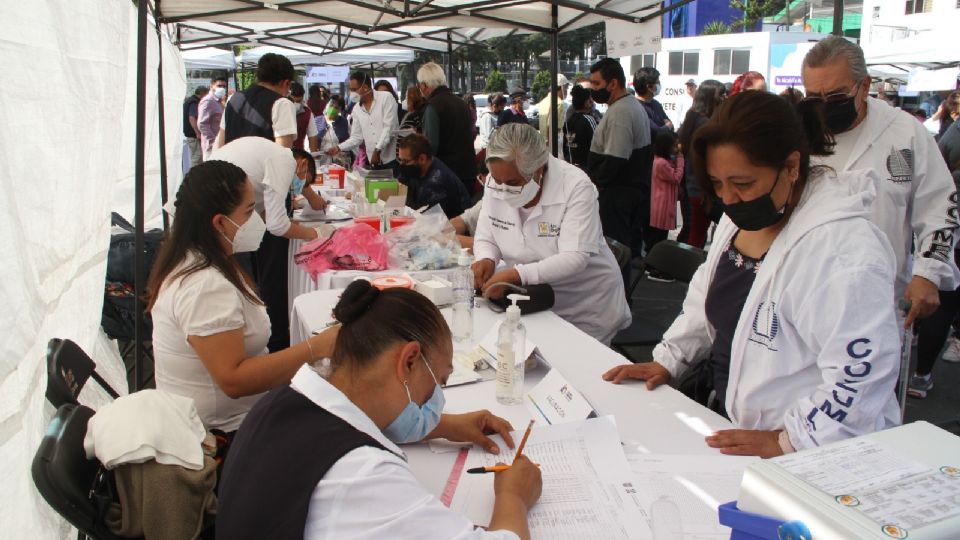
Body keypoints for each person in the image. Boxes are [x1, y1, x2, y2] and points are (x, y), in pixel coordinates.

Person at [603, 91, 901, 457]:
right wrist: (669, 360)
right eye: (717, 183)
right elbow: (702, 302)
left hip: (816, 451)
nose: (728, 199)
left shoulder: (844, 252)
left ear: (792, 167)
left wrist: (790, 439)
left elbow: (861, 373)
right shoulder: (738, 218)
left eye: (743, 184)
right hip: (731, 420)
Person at [216, 280, 542, 539]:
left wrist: (441, 426)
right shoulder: (361, 475)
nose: (436, 397)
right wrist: (513, 497)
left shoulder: (286, 399)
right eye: (437, 383)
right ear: (409, 361)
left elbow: (349, 427)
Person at [148, 160, 340, 435]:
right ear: (219, 222)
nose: (258, 219)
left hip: (232, 420)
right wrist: (317, 348)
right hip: (221, 435)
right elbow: (234, 380)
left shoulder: (201, 260)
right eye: (249, 211)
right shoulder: (203, 285)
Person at [802, 36, 959, 331]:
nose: (823, 106)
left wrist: (928, 273)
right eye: (813, 98)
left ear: (864, 85)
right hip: (801, 296)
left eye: (835, 97)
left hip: (879, 301)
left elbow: (940, 208)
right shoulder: (796, 132)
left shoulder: (904, 134)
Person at [472, 123, 631, 344]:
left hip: (585, 304)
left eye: (513, 183)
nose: (503, 190)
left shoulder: (575, 186)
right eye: (497, 182)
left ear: (538, 169)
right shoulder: (496, 181)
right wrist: (486, 258)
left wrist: (516, 275)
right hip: (534, 300)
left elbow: (574, 258)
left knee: (574, 369)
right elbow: (487, 234)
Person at [209, 137, 326, 352]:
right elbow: (277, 227)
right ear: (302, 165)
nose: (299, 188)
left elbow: (267, 217)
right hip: (218, 211)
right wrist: (315, 233)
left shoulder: (271, 156)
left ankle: (258, 340)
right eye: (303, 181)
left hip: (217, 204)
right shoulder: (284, 160)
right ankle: (264, 343)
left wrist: (291, 225)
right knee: (238, 285)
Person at [586, 58, 652, 261]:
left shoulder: (621, 112)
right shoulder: (626, 106)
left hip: (618, 195)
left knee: (615, 251)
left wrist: (596, 185)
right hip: (627, 192)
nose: (593, 89)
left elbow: (616, 158)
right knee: (623, 248)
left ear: (613, 83)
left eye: (597, 84)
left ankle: (618, 291)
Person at [676, 80, 725, 248]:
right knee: (697, 234)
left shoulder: (692, 117)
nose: (723, 98)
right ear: (711, 97)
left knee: (695, 231)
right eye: (721, 94)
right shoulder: (705, 124)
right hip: (702, 187)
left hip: (692, 185)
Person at [418, 62, 479, 194]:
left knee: (447, 215)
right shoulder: (461, 102)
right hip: (467, 171)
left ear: (424, 85)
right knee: (463, 213)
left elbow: (430, 146)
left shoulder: (433, 106)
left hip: (445, 175)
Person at [218, 53, 298, 149]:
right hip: (262, 163)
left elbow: (221, 143)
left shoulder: (233, 98)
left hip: (229, 162)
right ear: (285, 83)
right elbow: (283, 152)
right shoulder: (282, 104)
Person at [327, 72, 399, 172]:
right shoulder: (356, 109)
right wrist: (338, 147)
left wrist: (377, 150)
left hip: (390, 161)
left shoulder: (386, 98)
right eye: (350, 90)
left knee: (391, 188)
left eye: (354, 90)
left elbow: (389, 127)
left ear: (365, 87)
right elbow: (357, 137)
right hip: (373, 163)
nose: (351, 94)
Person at [397, 134, 470, 218]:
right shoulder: (420, 167)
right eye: (400, 160)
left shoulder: (436, 183)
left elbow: (430, 223)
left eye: (405, 161)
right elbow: (401, 180)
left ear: (422, 159)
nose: (402, 165)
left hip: (449, 226)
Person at [648, 131, 684, 261]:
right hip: (662, 204)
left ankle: (654, 262)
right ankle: (653, 264)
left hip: (662, 203)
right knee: (659, 237)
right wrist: (680, 160)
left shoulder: (660, 160)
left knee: (659, 235)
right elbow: (676, 178)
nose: (676, 149)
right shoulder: (661, 163)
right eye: (673, 146)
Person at [561, 85, 597, 170]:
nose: (592, 101)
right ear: (586, 103)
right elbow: (597, 144)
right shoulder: (589, 119)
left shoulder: (569, 120)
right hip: (586, 167)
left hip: (570, 165)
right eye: (590, 99)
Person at [634, 67, 674, 137]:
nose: (660, 85)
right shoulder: (636, 108)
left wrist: (667, 127)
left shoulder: (656, 104)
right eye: (658, 82)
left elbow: (671, 126)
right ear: (649, 87)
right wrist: (667, 126)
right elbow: (656, 133)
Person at [536, 74, 570, 151]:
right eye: (566, 88)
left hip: (543, 144)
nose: (566, 91)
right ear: (561, 87)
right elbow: (551, 126)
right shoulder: (559, 103)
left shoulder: (543, 102)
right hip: (554, 143)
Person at [198, 77, 227, 161]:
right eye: (219, 86)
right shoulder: (208, 101)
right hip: (212, 147)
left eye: (224, 86)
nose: (222, 88)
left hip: (219, 145)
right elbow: (202, 124)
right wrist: (213, 141)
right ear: (211, 86)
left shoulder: (218, 101)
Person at [289, 82, 319, 152]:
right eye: (293, 101)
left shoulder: (307, 113)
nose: (296, 105)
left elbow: (312, 137)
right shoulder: (279, 110)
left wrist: (314, 157)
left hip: (298, 155)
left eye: (299, 101)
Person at [183, 86, 207, 170]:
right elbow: (192, 118)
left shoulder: (190, 101)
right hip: (193, 135)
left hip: (191, 134)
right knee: (197, 157)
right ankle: (195, 177)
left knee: (197, 157)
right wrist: (197, 133)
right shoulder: (194, 103)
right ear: (202, 94)